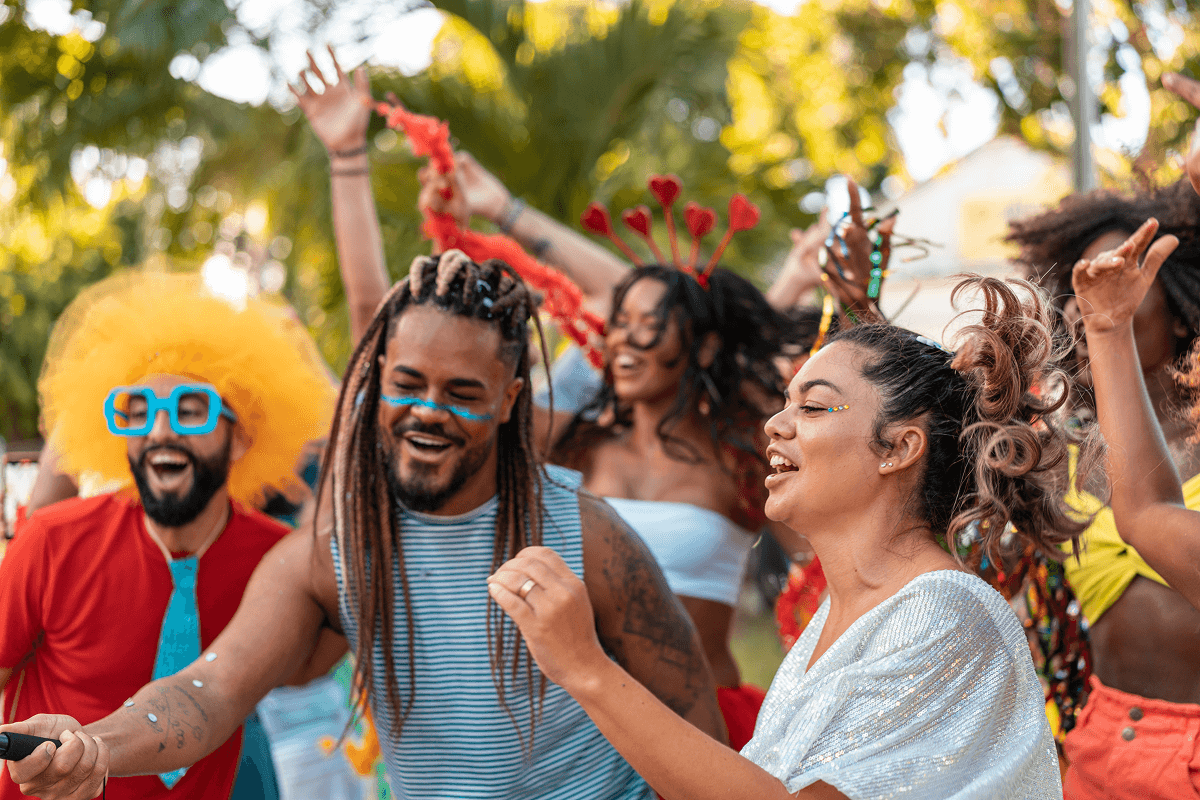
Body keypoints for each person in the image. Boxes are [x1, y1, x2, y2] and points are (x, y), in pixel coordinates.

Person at [3, 250, 724, 800]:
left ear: (508, 401)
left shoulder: (586, 533)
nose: (428, 411)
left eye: (462, 392)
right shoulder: (332, 551)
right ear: (376, 379)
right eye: (407, 384)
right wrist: (92, 746)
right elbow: (211, 690)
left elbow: (694, 724)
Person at [485, 275, 1087, 798]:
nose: (775, 425)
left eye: (814, 408)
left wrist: (585, 667)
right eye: (784, 404)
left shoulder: (948, 612)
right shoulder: (840, 617)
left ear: (900, 448)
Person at [0, 272, 336, 800]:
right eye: (138, 412)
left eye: (190, 409)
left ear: (242, 435)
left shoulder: (276, 559)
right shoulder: (51, 540)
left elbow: (301, 670)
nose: (160, 432)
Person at [1008, 180, 1200, 798]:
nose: (1086, 298)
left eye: (1116, 270)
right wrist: (862, 305)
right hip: (1103, 751)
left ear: (1178, 304)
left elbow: (1151, 511)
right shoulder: (1054, 460)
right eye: (1078, 284)